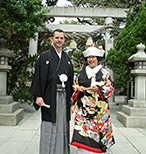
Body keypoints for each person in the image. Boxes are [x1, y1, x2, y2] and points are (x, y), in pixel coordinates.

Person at [30, 29, 74, 154]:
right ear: (52, 39)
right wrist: (38, 96)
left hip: (64, 96)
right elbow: (38, 76)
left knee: (63, 124)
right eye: (57, 37)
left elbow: (71, 79)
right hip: (50, 96)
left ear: (64, 40)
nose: (59, 40)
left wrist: (71, 95)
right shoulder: (44, 57)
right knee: (50, 124)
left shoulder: (67, 58)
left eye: (61, 38)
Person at [70, 46, 115, 154]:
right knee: (82, 129)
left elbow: (110, 86)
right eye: (89, 57)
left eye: (93, 57)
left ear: (97, 58)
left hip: (98, 108)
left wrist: (98, 89)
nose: (91, 60)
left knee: (98, 130)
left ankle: (96, 150)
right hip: (84, 108)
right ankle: (82, 151)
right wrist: (78, 88)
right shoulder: (82, 72)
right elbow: (74, 84)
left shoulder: (104, 73)